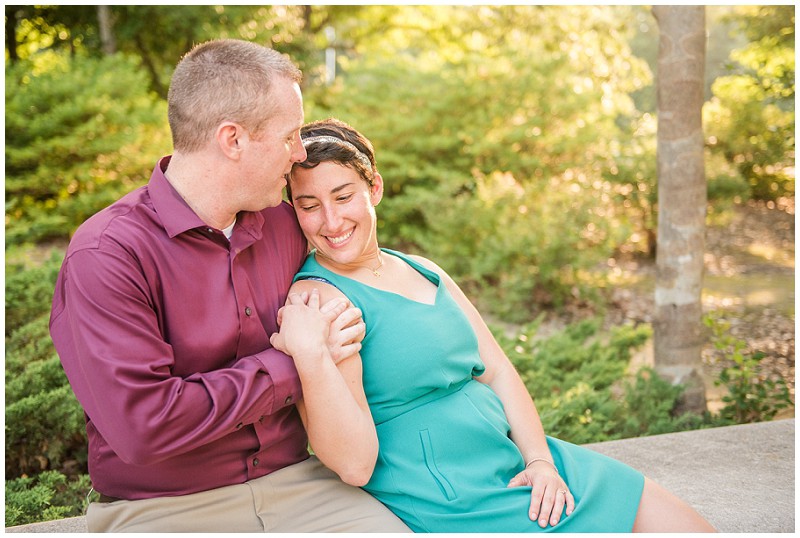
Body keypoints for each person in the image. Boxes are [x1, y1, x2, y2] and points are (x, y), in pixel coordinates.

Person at [272, 117, 718, 533]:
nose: (330, 222)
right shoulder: (320, 300)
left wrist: (540, 460)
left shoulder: (422, 269)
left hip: (508, 454)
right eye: (309, 205)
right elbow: (353, 464)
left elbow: (498, 371)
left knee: (691, 528)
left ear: (375, 188)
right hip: (450, 492)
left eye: (344, 196)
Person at [49, 40, 410, 533]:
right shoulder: (109, 254)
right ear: (233, 140)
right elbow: (143, 427)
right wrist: (297, 360)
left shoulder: (286, 225)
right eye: (289, 138)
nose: (299, 154)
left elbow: (364, 269)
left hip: (302, 486)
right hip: (164, 508)